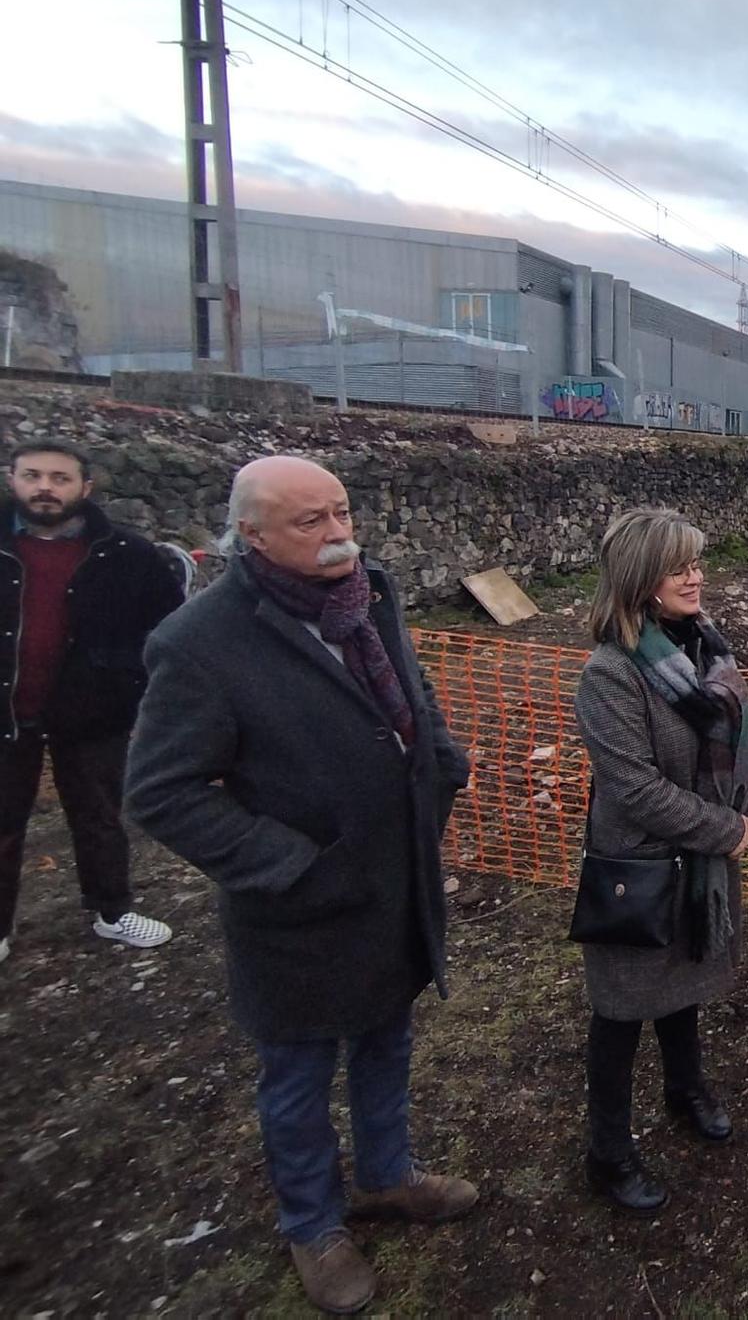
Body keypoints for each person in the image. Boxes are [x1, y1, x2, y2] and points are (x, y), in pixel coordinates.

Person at [125, 456, 477, 1315]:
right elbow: (159, 792)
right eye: (309, 522)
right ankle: (313, 1223)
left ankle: (388, 1176)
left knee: (387, 1043)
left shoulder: (370, 593)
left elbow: (409, 689)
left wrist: (440, 760)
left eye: (342, 512)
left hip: (392, 886)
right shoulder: (201, 643)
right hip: (298, 909)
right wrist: (287, 864)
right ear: (250, 536)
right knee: (297, 1076)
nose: (337, 535)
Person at [571, 508, 748, 1211]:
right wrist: (724, 828)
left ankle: (685, 1089)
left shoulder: (708, 648)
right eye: (679, 566)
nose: (696, 576)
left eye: (696, 563)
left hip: (703, 859)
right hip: (640, 870)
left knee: (684, 983)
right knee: (620, 1014)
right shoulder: (610, 674)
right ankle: (609, 1152)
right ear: (642, 579)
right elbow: (637, 789)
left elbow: (746, 737)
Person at [0, 438, 182, 964]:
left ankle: (113, 910)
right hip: (7, 711)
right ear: (12, 479)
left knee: (99, 815)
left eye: (59, 478)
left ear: (86, 487)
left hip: (93, 712)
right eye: (33, 475)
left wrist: (134, 686)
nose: (45, 488)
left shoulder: (128, 554)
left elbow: (168, 628)